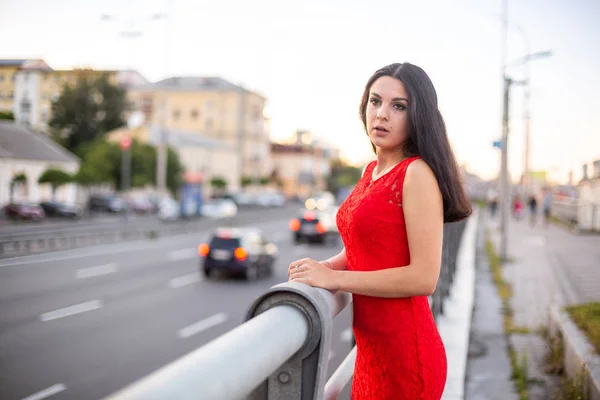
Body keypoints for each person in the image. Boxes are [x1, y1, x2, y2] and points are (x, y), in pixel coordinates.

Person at [287, 63, 471, 400]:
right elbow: (365, 247)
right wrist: (326, 267)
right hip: (372, 353)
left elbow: (424, 278)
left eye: (398, 106)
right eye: (375, 101)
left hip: (406, 357)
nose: (382, 114)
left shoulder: (416, 173)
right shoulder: (371, 169)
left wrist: (336, 281)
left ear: (418, 116)